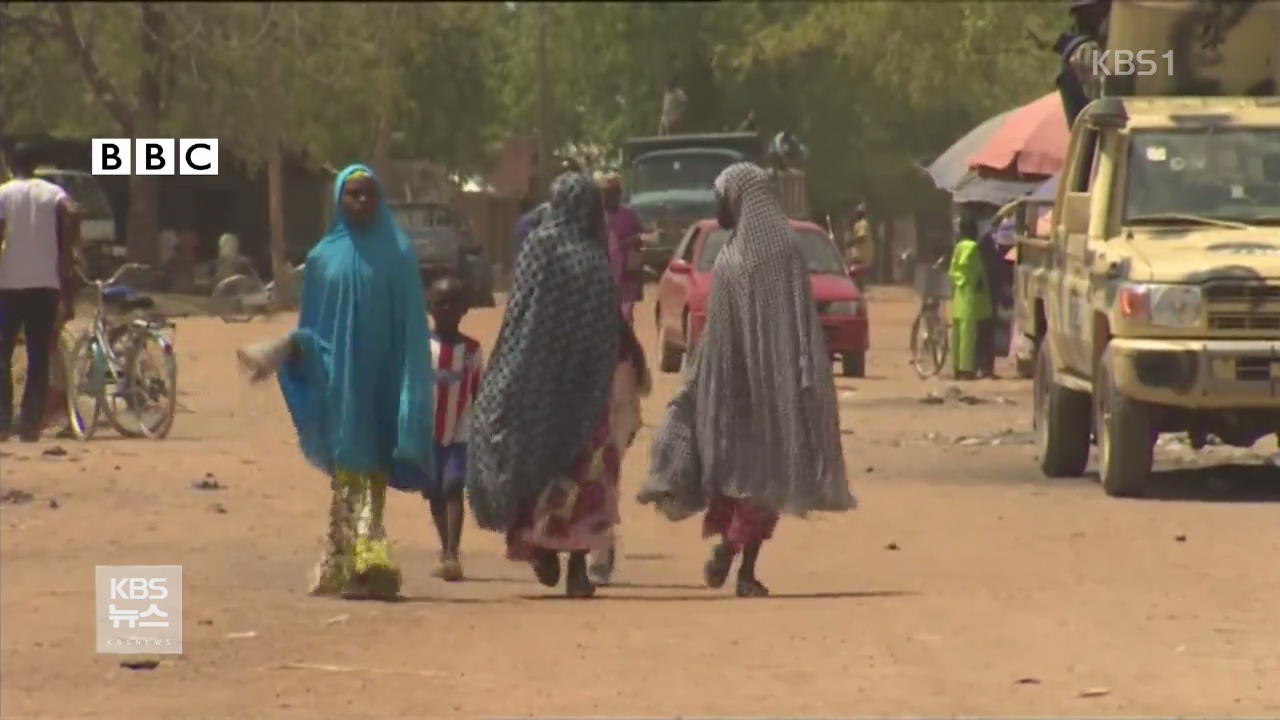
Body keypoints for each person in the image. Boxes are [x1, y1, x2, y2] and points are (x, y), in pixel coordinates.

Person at [639, 163, 856, 598]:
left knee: (747, 476)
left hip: (741, 388)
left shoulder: (746, 255)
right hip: (763, 387)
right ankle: (741, 562)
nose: (719, 207)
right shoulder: (774, 250)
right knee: (761, 478)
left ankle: (734, 554)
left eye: (723, 197)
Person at [278, 164, 435, 600]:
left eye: (368, 194)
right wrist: (298, 351)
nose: (361, 202)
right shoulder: (322, 259)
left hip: (385, 375)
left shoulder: (398, 253)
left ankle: (355, 559)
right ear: (338, 201)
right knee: (351, 460)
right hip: (340, 379)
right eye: (353, 195)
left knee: (375, 463)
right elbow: (312, 326)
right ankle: (366, 557)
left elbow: (411, 327)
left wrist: (410, 385)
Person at [465, 171, 622, 599]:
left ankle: (536, 545)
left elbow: (519, 317)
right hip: (583, 391)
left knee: (525, 458)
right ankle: (575, 567)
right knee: (580, 473)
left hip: (534, 381)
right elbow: (609, 331)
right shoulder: (596, 259)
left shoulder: (539, 248)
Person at [0, 142, 80, 442]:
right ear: (35, 165)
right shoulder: (52, 193)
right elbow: (71, 210)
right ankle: (30, 424)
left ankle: (3, 422)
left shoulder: (4, 193)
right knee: (38, 356)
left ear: (10, 163)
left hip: (7, 285)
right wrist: (67, 250)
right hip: (45, 284)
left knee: (2, 355)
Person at [415, 275, 483, 582]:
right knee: (434, 493)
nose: (446, 309)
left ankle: (454, 553)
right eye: (440, 303)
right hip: (426, 429)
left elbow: (478, 388)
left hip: (460, 429)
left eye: (453, 304)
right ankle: (444, 548)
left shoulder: (471, 349)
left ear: (464, 309)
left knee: (453, 486)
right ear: (429, 305)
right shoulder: (420, 346)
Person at [948, 217, 993, 381]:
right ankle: (966, 369)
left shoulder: (959, 245)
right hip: (971, 293)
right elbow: (969, 266)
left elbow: (954, 269)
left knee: (958, 332)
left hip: (960, 292)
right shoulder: (971, 246)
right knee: (968, 333)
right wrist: (974, 281)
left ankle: (957, 366)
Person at [600, 173, 644, 325]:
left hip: (626, 277)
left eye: (616, 192)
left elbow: (640, 241)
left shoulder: (629, 215)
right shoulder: (595, 217)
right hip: (602, 277)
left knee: (625, 318)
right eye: (608, 192)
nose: (613, 196)